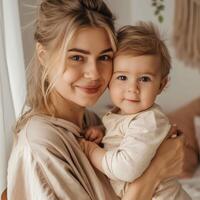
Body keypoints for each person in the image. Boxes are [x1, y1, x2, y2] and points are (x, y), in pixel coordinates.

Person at [6, 0, 195, 199]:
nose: (94, 73)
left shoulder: (93, 122)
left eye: (104, 57)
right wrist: (157, 171)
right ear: (43, 56)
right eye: (77, 57)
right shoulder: (40, 147)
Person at [79, 23, 191, 199]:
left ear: (161, 85)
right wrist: (103, 132)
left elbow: (125, 169)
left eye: (144, 79)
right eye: (122, 77)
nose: (133, 88)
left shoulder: (150, 120)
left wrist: (92, 151)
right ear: (109, 80)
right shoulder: (121, 114)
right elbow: (125, 134)